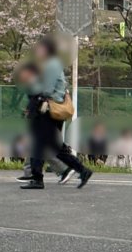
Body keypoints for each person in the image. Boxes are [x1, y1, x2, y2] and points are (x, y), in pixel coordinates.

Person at [19, 38, 92, 190]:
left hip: (48, 110)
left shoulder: (51, 65)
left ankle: (38, 178)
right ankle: (81, 170)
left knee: (41, 145)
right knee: (53, 146)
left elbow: (46, 90)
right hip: (48, 110)